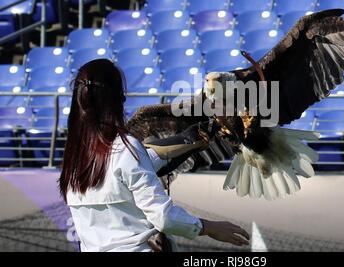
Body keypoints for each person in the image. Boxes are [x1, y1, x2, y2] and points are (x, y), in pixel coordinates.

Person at [59, 59, 249, 252]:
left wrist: (195, 136)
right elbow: (164, 218)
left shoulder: (74, 156)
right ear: (117, 99)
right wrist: (210, 227)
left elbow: (133, 167)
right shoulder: (125, 148)